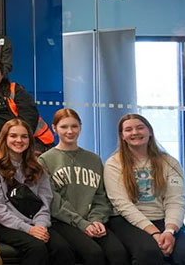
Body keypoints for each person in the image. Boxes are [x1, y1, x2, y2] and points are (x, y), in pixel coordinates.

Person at [104, 114, 185, 265]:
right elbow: (122, 205)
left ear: (150, 132)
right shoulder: (114, 164)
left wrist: (169, 231)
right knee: (149, 252)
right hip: (127, 221)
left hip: (163, 219)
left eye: (140, 127)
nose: (135, 132)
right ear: (122, 136)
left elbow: (176, 200)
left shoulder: (169, 162)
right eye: (128, 129)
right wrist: (154, 233)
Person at [41, 108, 127, 265]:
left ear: (80, 127)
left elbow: (101, 196)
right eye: (64, 127)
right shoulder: (45, 160)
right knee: (93, 253)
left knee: (118, 253)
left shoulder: (94, 159)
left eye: (74, 126)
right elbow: (53, 202)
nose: (70, 131)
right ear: (54, 128)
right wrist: (82, 224)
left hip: (93, 221)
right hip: (63, 222)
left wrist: (97, 220)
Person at [0, 119, 73, 265]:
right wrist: (29, 229)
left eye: (24, 137)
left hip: (36, 223)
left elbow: (45, 201)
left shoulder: (37, 166)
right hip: (4, 225)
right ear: (4, 138)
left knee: (62, 248)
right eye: (13, 136)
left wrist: (41, 226)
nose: (19, 140)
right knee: (36, 248)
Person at [0, 60, 52, 150]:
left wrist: (9, 140)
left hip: (31, 141)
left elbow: (29, 118)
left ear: (2, 76)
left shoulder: (14, 90)